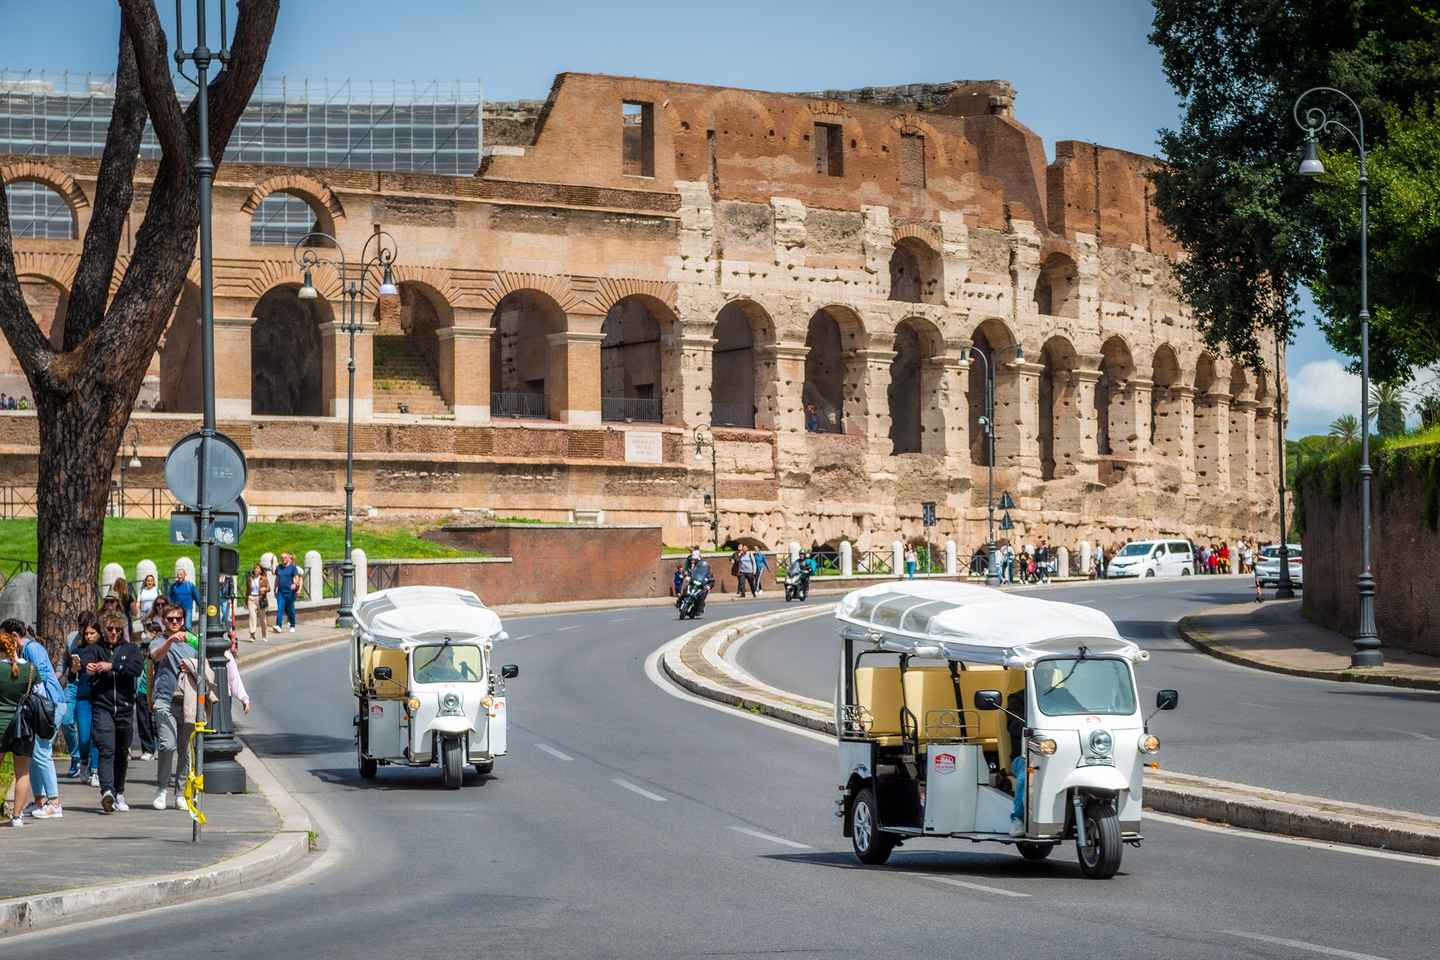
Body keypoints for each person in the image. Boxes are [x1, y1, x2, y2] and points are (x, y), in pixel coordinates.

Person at [87, 613, 144, 813]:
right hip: (102, 705)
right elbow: (83, 664)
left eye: (117, 630)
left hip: (125, 707)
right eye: (110, 629)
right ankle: (107, 792)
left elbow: (137, 668)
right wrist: (88, 668)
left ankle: (119, 791)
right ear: (104, 630)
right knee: (106, 749)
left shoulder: (131, 649)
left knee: (121, 751)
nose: (113, 633)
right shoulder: (96, 649)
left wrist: (113, 666)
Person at [149, 607, 199, 811]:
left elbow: (205, 659)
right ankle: (161, 789)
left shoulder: (192, 641)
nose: (175, 622)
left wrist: (192, 666)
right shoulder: (159, 640)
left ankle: (180, 792)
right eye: (170, 619)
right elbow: (155, 656)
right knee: (167, 745)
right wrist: (170, 641)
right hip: (164, 699)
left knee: (185, 750)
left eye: (179, 618)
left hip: (187, 700)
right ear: (164, 620)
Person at [17, 621, 64, 820]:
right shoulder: (27, 649)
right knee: (35, 752)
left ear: (13, 635)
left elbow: (41, 676)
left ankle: (54, 803)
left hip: (49, 706)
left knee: (42, 752)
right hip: (42, 707)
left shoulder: (32, 649)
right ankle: (39, 800)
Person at [1, 625, 40, 828]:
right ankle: (17, 816)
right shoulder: (31, 669)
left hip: (0, 724)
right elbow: (38, 694)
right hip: (23, 726)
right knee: (22, 773)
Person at [65, 610, 103, 785]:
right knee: (84, 736)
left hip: (101, 697)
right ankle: (84, 761)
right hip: (83, 696)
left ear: (98, 633)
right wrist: (74, 669)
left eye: (92, 633)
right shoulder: (77, 650)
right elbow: (72, 678)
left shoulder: (103, 650)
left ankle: (95, 770)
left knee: (97, 735)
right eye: (86, 633)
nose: (88, 636)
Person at [274, 552, 301, 633]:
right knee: (280, 609)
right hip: (281, 592)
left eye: (285, 557)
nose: (283, 559)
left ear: (289, 558)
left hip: (290, 592)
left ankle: (292, 625)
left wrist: (295, 584)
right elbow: (277, 579)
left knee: (290, 609)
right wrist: (275, 588)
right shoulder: (278, 567)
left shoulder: (293, 568)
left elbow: (297, 577)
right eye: (282, 558)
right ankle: (278, 626)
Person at [246, 562, 271, 642]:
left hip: (260, 599)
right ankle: (252, 635)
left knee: (262, 619)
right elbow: (247, 591)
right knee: (252, 617)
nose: (256, 570)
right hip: (251, 599)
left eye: (258, 568)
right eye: (255, 568)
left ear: (260, 570)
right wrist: (246, 601)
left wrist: (264, 589)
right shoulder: (250, 578)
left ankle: (264, 635)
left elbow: (269, 588)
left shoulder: (264, 578)